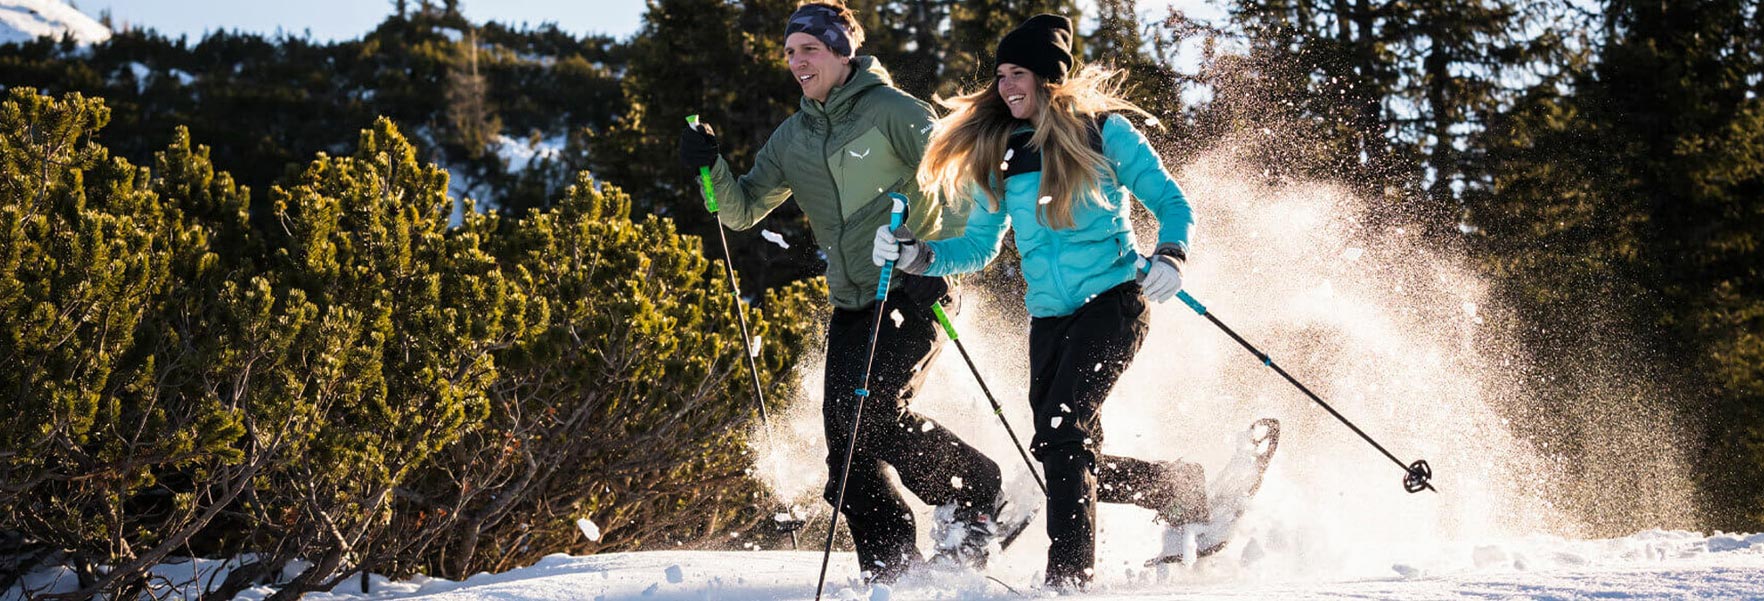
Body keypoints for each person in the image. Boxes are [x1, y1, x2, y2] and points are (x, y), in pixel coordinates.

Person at [678, 1, 1011, 583]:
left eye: (808, 49)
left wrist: (938, 258)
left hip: (911, 289)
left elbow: (963, 184)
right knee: (845, 460)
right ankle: (892, 569)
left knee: (875, 414)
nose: (796, 62)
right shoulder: (792, 138)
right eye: (788, 52)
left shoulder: (894, 113)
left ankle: (977, 496)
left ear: (841, 51)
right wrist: (712, 167)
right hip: (854, 303)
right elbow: (742, 210)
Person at [872, 13, 1209, 590]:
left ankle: (1067, 582)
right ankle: (1177, 488)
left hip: (1115, 302)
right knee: (1063, 451)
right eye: (1000, 75)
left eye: (1017, 73)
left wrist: (1173, 255)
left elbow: (1172, 202)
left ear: (1049, 78)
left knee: (1062, 432)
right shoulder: (1003, 150)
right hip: (1048, 320)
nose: (1005, 86)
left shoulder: (1104, 134)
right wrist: (917, 255)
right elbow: (979, 246)